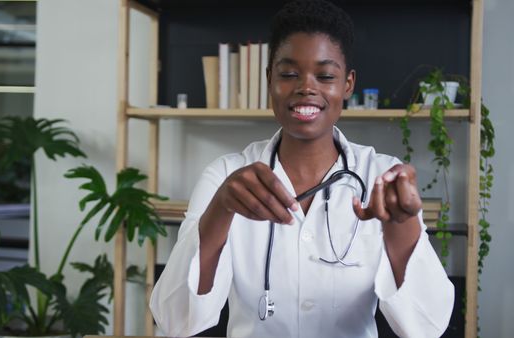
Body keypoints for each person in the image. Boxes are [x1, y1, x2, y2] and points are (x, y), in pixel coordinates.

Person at [150, 1, 454, 337]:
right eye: (289, 74)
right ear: (269, 79)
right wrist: (221, 209)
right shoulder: (225, 176)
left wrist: (403, 228)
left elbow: (427, 326)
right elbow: (176, 321)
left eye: (325, 76)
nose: (306, 87)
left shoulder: (382, 177)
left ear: (348, 84)